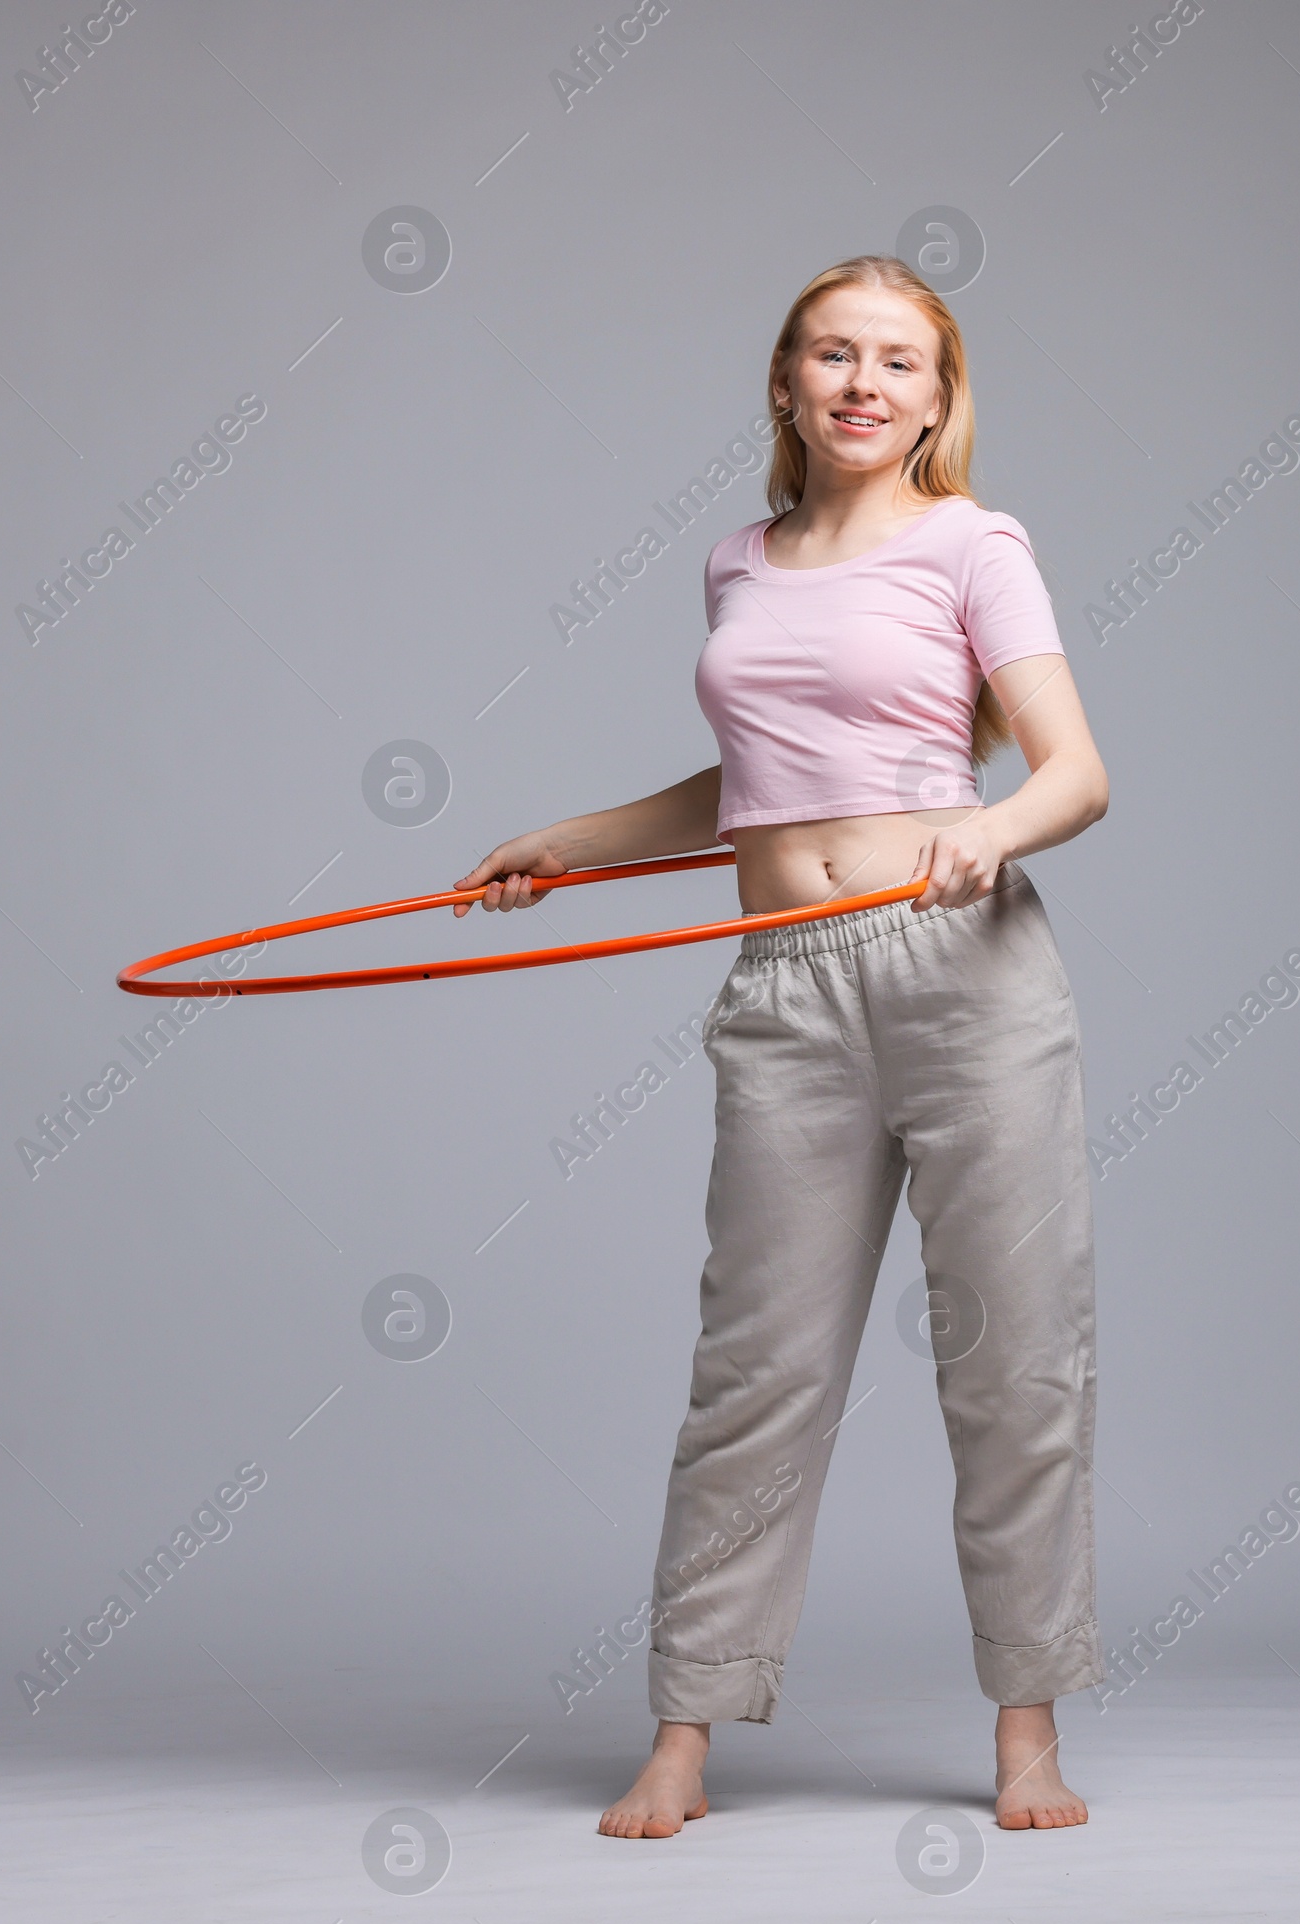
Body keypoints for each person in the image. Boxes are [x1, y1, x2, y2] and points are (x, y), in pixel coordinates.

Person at [454, 254, 1108, 1835]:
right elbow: (753, 785)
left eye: (898, 362)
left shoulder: (975, 544)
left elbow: (1074, 770)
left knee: (1011, 1358)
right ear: (787, 383)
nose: (863, 383)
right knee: (755, 1370)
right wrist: (574, 840)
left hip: (966, 971)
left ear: (938, 399)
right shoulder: (738, 564)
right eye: (834, 355)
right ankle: (685, 1725)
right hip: (787, 989)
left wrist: (991, 828)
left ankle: (1028, 1730)